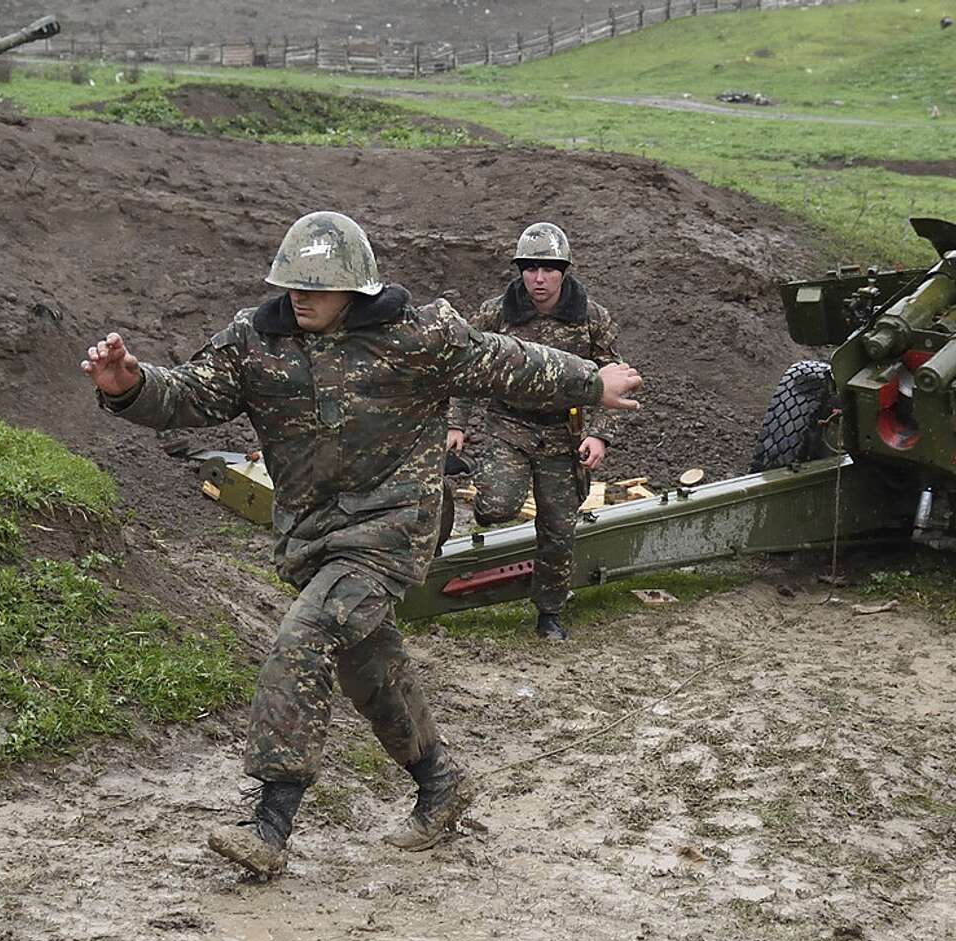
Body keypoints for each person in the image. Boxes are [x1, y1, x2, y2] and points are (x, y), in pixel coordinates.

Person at [81, 210, 644, 879]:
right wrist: (130, 385)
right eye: (292, 283)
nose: (301, 296)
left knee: (307, 633)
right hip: (314, 535)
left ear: (356, 287)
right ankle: (440, 782)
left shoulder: (415, 334)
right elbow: (188, 395)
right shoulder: (255, 342)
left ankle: (270, 820)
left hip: (393, 527)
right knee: (368, 665)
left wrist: (591, 381)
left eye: (317, 286)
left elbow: (504, 361)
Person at [446, 221, 620, 641]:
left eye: (549, 269)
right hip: (509, 427)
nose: (538, 279)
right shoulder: (495, 313)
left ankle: (549, 613)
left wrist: (599, 434)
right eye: (530, 268)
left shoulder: (592, 319)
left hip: (564, 437)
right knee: (496, 507)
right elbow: (465, 370)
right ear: (519, 270)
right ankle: (463, 490)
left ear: (565, 270)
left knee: (559, 530)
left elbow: (617, 380)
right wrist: (456, 424)